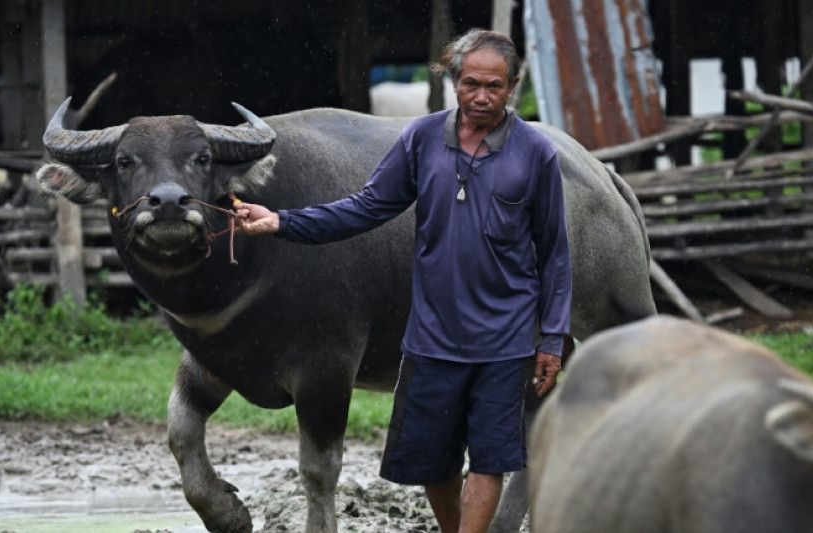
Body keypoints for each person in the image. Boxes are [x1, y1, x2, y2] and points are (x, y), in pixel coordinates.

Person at [235, 28, 572, 533]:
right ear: (454, 80)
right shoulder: (420, 139)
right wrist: (283, 221)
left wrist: (550, 338)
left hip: (505, 340)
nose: (483, 97)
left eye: (495, 87)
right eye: (472, 84)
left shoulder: (535, 153)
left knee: (488, 459)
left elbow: (555, 253)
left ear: (513, 86)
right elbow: (366, 207)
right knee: (431, 463)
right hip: (432, 336)